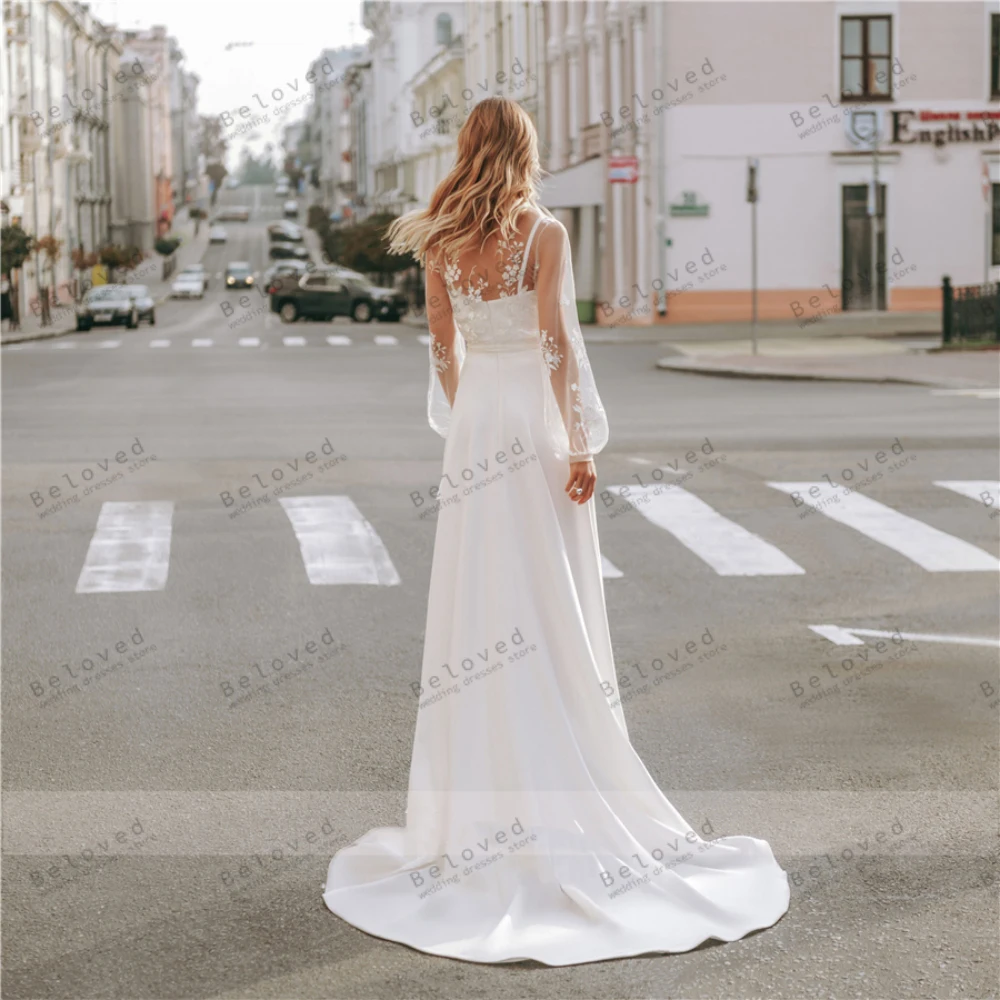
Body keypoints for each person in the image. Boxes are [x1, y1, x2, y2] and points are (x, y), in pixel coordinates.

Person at [322, 96, 789, 966]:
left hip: (477, 430)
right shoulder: (545, 234)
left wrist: (471, 417)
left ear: (467, 149)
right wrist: (576, 442)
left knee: (477, 599)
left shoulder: (437, 235)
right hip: (532, 424)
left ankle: (474, 817)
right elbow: (558, 346)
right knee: (548, 595)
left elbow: (439, 342)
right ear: (527, 151)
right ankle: (563, 777)